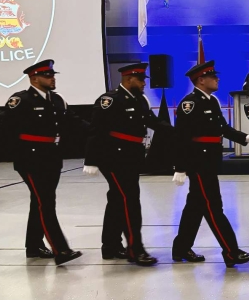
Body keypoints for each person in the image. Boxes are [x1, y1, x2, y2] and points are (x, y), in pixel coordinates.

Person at [84, 63, 176, 266]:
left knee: (117, 200)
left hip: (132, 157)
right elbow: (96, 130)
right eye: (141, 79)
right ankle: (135, 249)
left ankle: (110, 245)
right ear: (128, 79)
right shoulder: (110, 100)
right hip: (113, 158)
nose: (144, 83)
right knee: (129, 201)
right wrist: (91, 160)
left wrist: (178, 132)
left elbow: (154, 123)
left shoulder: (140, 100)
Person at [171, 60, 249, 268]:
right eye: (212, 76)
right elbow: (181, 138)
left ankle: (181, 248)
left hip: (209, 163)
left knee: (194, 207)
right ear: (201, 80)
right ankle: (231, 252)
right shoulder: (190, 104)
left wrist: (244, 137)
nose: (217, 79)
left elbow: (222, 128)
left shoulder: (211, 101)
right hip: (198, 164)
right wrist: (180, 167)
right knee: (214, 208)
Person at [2, 60, 85, 265]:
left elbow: (74, 122)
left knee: (41, 202)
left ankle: (34, 246)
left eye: (52, 74)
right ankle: (61, 250)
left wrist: (98, 132)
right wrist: (18, 154)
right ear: (34, 78)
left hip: (51, 158)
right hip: (29, 159)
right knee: (45, 203)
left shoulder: (57, 100)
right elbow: (6, 129)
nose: (52, 78)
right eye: (47, 75)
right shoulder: (20, 100)